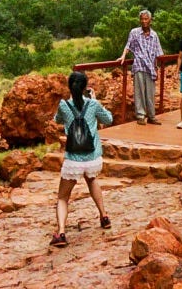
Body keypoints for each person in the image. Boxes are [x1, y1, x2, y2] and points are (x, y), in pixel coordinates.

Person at [52, 69, 112, 247]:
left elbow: (57, 120)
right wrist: (95, 101)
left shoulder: (64, 105)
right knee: (92, 179)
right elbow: (108, 119)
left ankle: (61, 233)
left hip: (74, 160)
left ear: (70, 87)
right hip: (93, 157)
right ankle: (104, 216)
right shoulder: (92, 105)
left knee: (63, 197)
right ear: (85, 87)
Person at [117, 9, 162, 124]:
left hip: (151, 67)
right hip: (139, 65)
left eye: (146, 19)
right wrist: (123, 56)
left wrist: (157, 68)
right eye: (142, 19)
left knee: (150, 93)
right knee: (139, 92)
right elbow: (128, 45)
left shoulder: (154, 35)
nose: (143, 21)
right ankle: (141, 116)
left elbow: (158, 53)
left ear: (150, 20)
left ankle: (152, 116)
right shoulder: (135, 32)